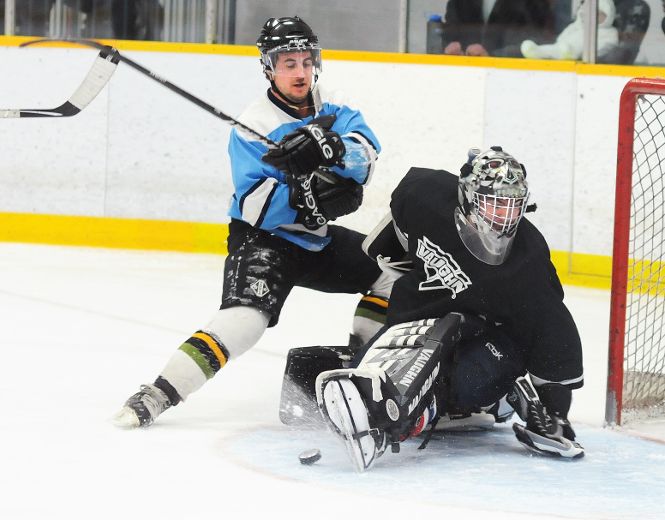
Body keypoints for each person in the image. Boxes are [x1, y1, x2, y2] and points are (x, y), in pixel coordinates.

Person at [112, 16, 395, 428]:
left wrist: (331, 148)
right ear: (269, 67)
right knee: (245, 321)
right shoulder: (254, 125)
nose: (300, 72)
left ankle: (359, 362)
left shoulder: (334, 105)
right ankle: (157, 394)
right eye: (288, 63)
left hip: (316, 240)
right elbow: (255, 206)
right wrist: (306, 194)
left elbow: (367, 155)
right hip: (265, 241)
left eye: (306, 61)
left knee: (392, 270)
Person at [315, 147, 585, 471]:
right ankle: (401, 398)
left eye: (512, 206)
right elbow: (388, 240)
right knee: (381, 363)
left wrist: (556, 414)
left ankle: (410, 418)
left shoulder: (529, 261)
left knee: (464, 382)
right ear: (468, 197)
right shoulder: (425, 195)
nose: (504, 216)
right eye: (494, 203)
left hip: (490, 339)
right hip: (420, 317)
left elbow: (553, 330)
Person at [441, 0, 555, 57]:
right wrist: (451, 49)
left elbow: (536, 41)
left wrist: (493, 55)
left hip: (514, 77)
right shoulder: (460, 2)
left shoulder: (533, 2)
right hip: (462, 75)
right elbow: (449, 31)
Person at [521, 0, 619, 60]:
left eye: (599, 14)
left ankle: (541, 52)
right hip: (562, 49)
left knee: (562, 50)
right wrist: (561, 43)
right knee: (557, 49)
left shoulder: (610, 33)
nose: (593, 16)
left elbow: (605, 48)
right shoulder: (577, 26)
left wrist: (583, 54)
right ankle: (537, 51)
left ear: (608, 17)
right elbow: (563, 37)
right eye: (590, 12)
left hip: (579, 57)